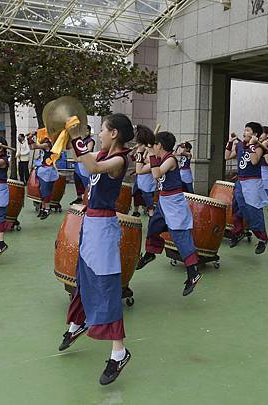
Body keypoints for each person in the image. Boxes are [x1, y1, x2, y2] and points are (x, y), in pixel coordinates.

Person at [60, 113, 134, 385]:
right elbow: (84, 162)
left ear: (114, 133)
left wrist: (78, 136)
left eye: (103, 130)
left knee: (106, 286)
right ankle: (77, 323)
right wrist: (68, 137)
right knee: (84, 277)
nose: (99, 133)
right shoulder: (102, 153)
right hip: (91, 224)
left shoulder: (118, 160)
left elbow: (91, 168)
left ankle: (119, 352)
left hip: (102, 227)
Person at [135, 130, 202, 296]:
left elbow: (156, 174)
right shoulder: (159, 159)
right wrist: (139, 152)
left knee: (180, 237)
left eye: (155, 145)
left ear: (160, 145)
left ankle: (193, 273)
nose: (153, 148)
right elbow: (139, 170)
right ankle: (150, 254)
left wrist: (150, 154)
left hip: (175, 203)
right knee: (153, 227)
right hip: (164, 202)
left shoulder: (171, 159)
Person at [225, 122, 268, 254]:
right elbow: (227, 157)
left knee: (253, 210)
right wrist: (229, 142)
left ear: (255, 134)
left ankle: (262, 239)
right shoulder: (239, 145)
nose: (244, 132)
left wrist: (251, 144)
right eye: (244, 130)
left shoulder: (259, 147)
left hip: (253, 182)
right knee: (238, 207)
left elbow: (254, 161)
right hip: (240, 181)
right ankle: (238, 231)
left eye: (247, 130)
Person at [28, 133, 59, 219]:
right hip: (43, 169)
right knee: (42, 190)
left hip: (47, 171)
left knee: (45, 190)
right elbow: (32, 147)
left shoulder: (47, 144)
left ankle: (47, 209)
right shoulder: (44, 144)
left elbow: (34, 146)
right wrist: (29, 138)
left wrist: (31, 137)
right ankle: (43, 208)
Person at [133, 125, 157, 217]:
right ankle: (137, 210)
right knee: (136, 194)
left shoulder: (152, 150)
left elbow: (141, 168)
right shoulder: (145, 150)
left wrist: (140, 152)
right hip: (140, 178)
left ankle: (150, 212)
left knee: (148, 198)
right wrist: (137, 152)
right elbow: (136, 162)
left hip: (148, 179)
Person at [71, 125, 95, 205]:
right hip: (78, 164)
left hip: (85, 164)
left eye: (86, 130)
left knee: (86, 182)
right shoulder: (80, 141)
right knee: (77, 181)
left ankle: (88, 199)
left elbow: (88, 151)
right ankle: (79, 198)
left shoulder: (90, 141)